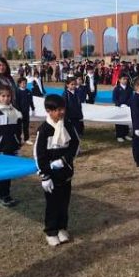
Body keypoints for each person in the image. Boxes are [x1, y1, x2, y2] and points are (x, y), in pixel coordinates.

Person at [34, 94, 80, 247]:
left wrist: (65, 160)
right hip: (51, 176)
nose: (61, 113)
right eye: (57, 110)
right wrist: (44, 175)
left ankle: (62, 228)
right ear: (49, 110)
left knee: (64, 203)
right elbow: (39, 154)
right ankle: (51, 231)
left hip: (65, 173)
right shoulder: (44, 130)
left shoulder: (67, 125)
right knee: (53, 205)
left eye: (63, 109)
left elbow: (75, 145)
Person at [112, 74, 133, 142]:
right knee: (119, 121)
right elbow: (114, 99)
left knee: (126, 121)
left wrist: (127, 104)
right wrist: (120, 105)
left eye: (126, 79)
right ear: (119, 80)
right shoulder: (117, 88)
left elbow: (131, 98)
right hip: (119, 108)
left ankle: (125, 134)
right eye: (123, 79)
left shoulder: (129, 88)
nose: (125, 80)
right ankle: (119, 135)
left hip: (127, 107)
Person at [15, 77, 35, 145]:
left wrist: (33, 109)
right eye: (23, 83)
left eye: (25, 83)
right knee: (19, 127)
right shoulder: (17, 92)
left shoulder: (29, 91)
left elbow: (31, 101)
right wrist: (18, 111)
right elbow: (16, 103)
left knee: (26, 126)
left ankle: (26, 139)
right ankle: (18, 140)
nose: (24, 84)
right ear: (19, 84)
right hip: (19, 112)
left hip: (26, 112)